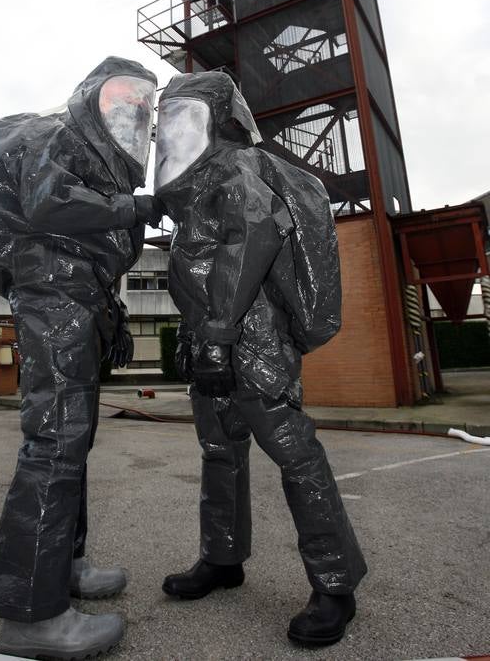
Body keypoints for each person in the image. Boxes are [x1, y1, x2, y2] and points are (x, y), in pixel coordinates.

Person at [0, 57, 162, 659]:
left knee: (72, 440)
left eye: (144, 101)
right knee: (56, 442)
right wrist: (129, 210)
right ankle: (32, 612)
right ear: (93, 94)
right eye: (124, 95)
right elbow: (47, 205)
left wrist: (110, 316)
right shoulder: (62, 135)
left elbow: (92, 253)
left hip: (75, 295)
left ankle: (64, 565)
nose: (135, 109)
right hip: (55, 293)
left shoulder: (102, 160)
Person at [153, 70, 367, 647]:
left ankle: (335, 585)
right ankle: (222, 558)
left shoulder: (237, 169)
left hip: (253, 340)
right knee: (219, 450)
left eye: (182, 115)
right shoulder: (193, 185)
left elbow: (251, 242)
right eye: (165, 116)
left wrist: (220, 335)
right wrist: (197, 337)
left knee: (295, 455)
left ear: (215, 118)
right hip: (210, 335)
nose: (167, 129)